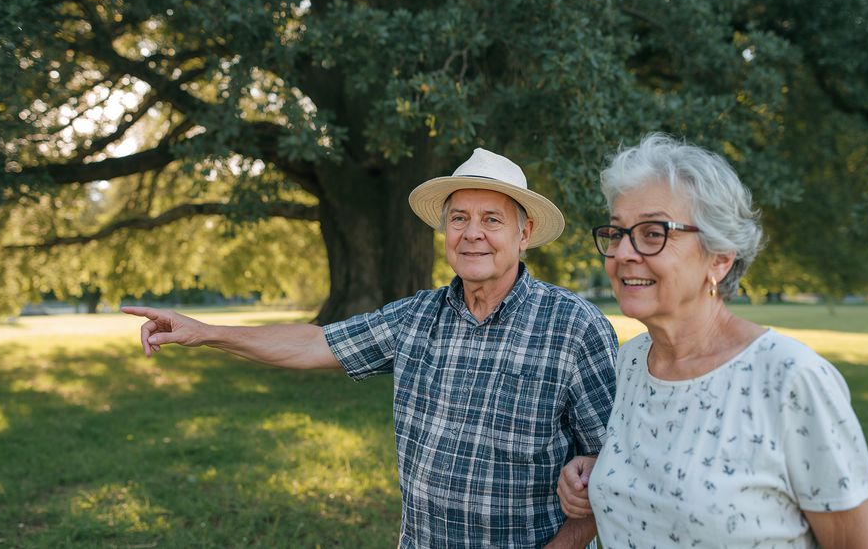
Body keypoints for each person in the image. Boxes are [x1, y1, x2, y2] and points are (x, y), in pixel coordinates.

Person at [124, 148, 619, 548]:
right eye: (460, 218)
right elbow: (314, 343)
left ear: (524, 232)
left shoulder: (575, 327)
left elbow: (613, 469)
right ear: (444, 231)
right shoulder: (414, 318)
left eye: (492, 219)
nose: (472, 233)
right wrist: (205, 331)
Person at [556, 133, 868, 548]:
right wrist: (597, 469)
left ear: (719, 257)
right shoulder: (631, 362)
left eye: (653, 233)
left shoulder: (790, 379)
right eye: (617, 232)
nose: (623, 252)